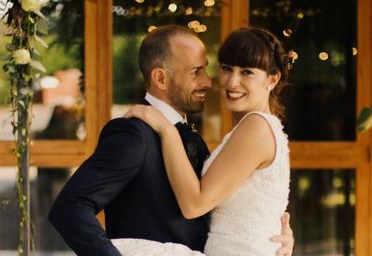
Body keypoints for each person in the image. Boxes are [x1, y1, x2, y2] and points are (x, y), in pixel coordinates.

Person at [49, 25, 293, 256]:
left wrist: (269, 233)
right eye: (197, 72)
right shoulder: (134, 134)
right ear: (161, 78)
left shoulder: (194, 135)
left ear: (272, 79)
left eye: (207, 69)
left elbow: (216, 205)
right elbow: (71, 207)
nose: (210, 81)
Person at [123, 27, 293, 256]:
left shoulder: (256, 127)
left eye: (247, 72)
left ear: (272, 80)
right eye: (226, 69)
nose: (232, 82)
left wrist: (166, 129)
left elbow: (194, 204)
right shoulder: (256, 127)